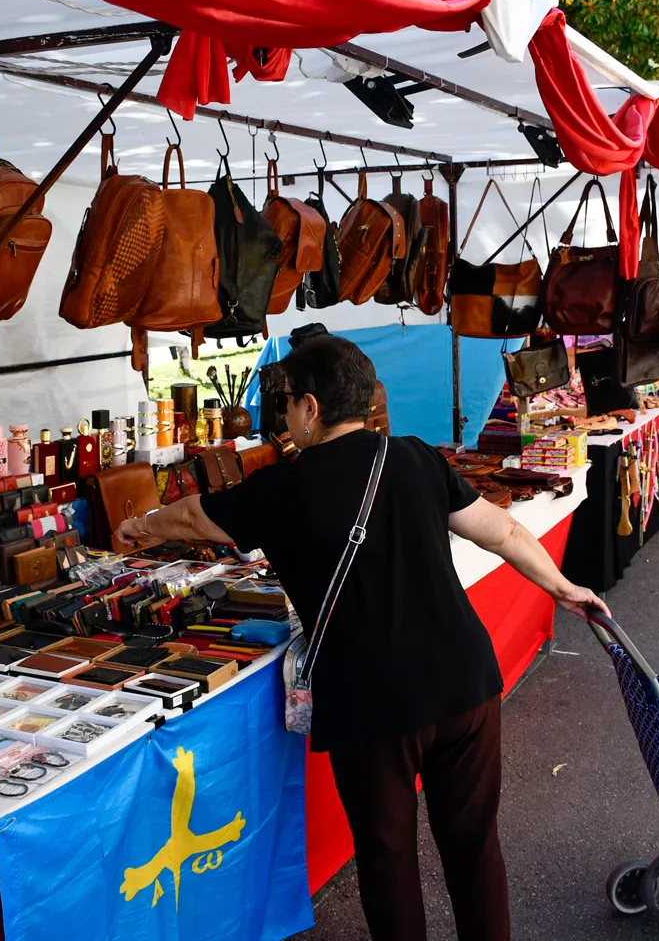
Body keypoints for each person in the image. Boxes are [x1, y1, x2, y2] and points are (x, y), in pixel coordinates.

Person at [116, 333, 604, 941]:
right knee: (474, 845)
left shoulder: (283, 487)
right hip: (466, 681)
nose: (285, 415)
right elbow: (502, 530)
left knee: (388, 856)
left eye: (288, 401)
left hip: (376, 702)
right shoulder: (415, 456)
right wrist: (563, 586)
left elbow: (191, 515)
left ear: (312, 408)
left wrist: (137, 524)